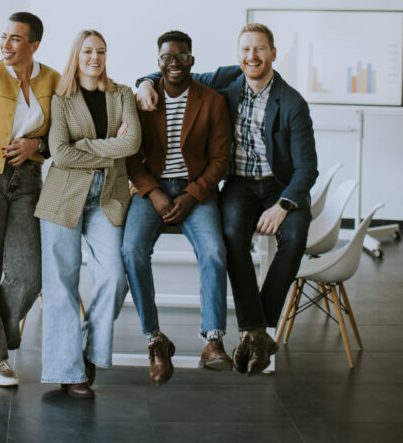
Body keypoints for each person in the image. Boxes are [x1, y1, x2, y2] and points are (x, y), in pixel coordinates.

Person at [136, 23, 318, 374]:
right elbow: (172, 69)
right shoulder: (226, 82)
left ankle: (255, 330)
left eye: (260, 49)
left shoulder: (293, 102)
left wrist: (283, 205)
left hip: (281, 187)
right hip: (240, 185)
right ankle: (255, 332)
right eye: (246, 49)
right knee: (232, 235)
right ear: (238, 55)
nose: (253, 56)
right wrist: (144, 83)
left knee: (294, 237)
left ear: (274, 54)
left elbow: (307, 169)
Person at [35, 30, 141, 398]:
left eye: (100, 51)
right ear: (76, 56)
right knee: (61, 285)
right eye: (87, 51)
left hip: (108, 196)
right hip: (63, 196)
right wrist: (111, 149)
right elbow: (60, 154)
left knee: (114, 276)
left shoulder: (122, 93)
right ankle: (69, 370)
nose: (95, 57)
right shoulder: (61, 99)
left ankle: (89, 350)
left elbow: (132, 142)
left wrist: (85, 146)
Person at [122, 31, 232, 385]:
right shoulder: (142, 100)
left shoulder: (212, 101)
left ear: (192, 61)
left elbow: (220, 160)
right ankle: (155, 340)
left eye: (181, 57)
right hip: (151, 189)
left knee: (215, 251)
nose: (174, 64)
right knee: (131, 250)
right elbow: (130, 156)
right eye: (167, 58)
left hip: (196, 192)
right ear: (157, 63)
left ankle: (213, 340)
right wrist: (152, 192)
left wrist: (193, 194)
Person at [0, 12, 60, 387]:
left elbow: (62, 133)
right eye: (3, 36)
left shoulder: (52, 79)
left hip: (29, 179)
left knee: (29, 272)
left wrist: (38, 144)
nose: (5, 44)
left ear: (34, 45)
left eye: (15, 39)